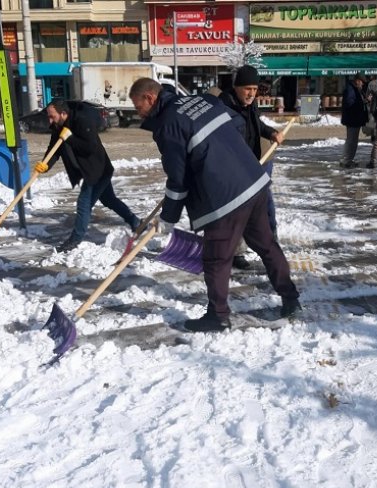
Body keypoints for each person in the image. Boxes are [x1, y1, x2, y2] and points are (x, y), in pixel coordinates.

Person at [128, 77, 301, 332]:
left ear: (150, 98)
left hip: (225, 197)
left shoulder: (167, 125)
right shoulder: (204, 101)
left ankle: (218, 315)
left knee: (216, 259)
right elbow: (238, 125)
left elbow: (178, 179)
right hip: (253, 182)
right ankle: (291, 298)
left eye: (137, 106)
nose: (137, 112)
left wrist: (168, 220)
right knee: (266, 245)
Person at [34, 99, 141, 253]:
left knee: (84, 204)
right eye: (49, 117)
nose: (50, 120)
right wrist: (45, 164)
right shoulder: (58, 127)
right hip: (88, 170)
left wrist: (70, 137)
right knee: (109, 200)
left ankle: (75, 240)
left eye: (52, 116)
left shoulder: (81, 121)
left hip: (99, 169)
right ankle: (135, 222)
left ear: (63, 113)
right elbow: (54, 150)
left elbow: (90, 147)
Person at [219, 65, 284, 268]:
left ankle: (271, 242)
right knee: (237, 211)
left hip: (255, 163)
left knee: (266, 204)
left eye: (255, 89)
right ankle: (236, 252)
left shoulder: (250, 105)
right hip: (235, 169)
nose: (252, 93)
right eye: (248, 88)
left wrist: (271, 132)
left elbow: (257, 125)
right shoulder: (223, 108)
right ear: (237, 87)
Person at [339, 73, 368, 168]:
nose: (363, 84)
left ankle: (347, 159)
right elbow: (350, 103)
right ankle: (347, 160)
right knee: (352, 141)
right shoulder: (351, 89)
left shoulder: (354, 89)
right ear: (357, 81)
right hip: (353, 119)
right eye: (362, 82)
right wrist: (362, 103)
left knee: (352, 140)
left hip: (354, 119)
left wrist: (364, 101)